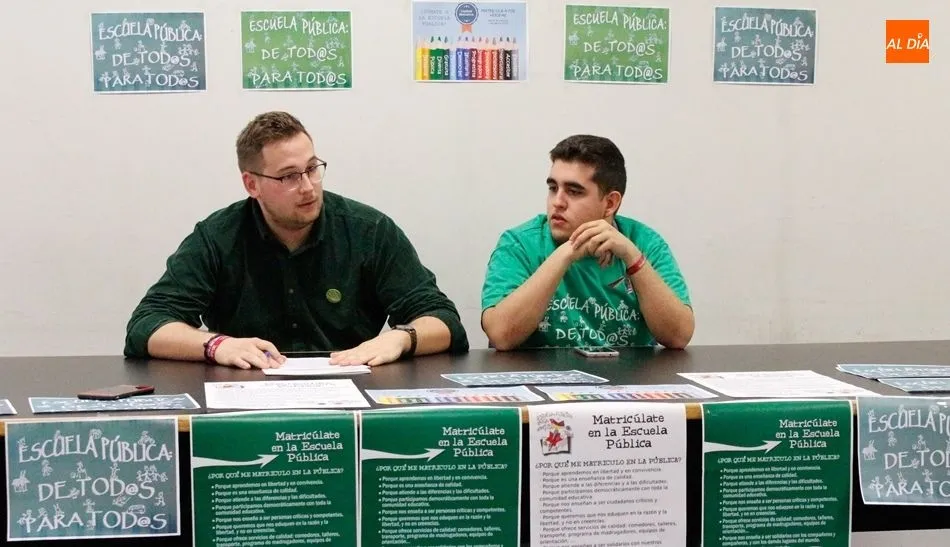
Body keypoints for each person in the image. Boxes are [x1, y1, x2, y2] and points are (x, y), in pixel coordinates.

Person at [124, 111, 468, 369]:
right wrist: (216, 345)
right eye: (289, 176)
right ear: (252, 184)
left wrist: (401, 338)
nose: (308, 187)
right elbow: (146, 325)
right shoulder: (217, 237)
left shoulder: (369, 230)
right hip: (248, 394)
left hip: (351, 391)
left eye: (312, 168)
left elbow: (444, 321)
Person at [480, 134, 693, 351]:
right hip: (544, 372)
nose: (557, 202)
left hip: (626, 372)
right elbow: (501, 335)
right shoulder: (519, 244)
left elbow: (679, 336)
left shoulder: (644, 243)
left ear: (610, 203)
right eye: (553, 188)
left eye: (573, 192)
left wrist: (632, 257)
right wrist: (565, 254)